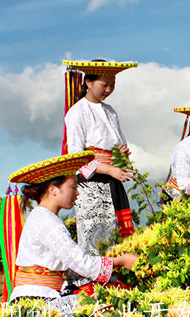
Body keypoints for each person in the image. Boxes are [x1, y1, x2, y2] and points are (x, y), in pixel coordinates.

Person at [7, 151, 138, 311]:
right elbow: (83, 264)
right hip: (37, 301)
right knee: (107, 306)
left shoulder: (42, 216)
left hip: (40, 296)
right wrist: (121, 262)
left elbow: (74, 265)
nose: (77, 192)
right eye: (74, 187)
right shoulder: (47, 220)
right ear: (53, 190)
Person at [62, 60, 138, 255]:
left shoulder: (111, 111)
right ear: (88, 82)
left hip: (112, 180)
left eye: (112, 85)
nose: (109, 89)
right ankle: (95, 281)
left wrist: (122, 155)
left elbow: (119, 146)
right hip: (91, 183)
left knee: (117, 234)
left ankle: (118, 278)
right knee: (95, 236)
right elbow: (76, 158)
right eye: (104, 85)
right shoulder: (77, 112)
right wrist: (109, 168)